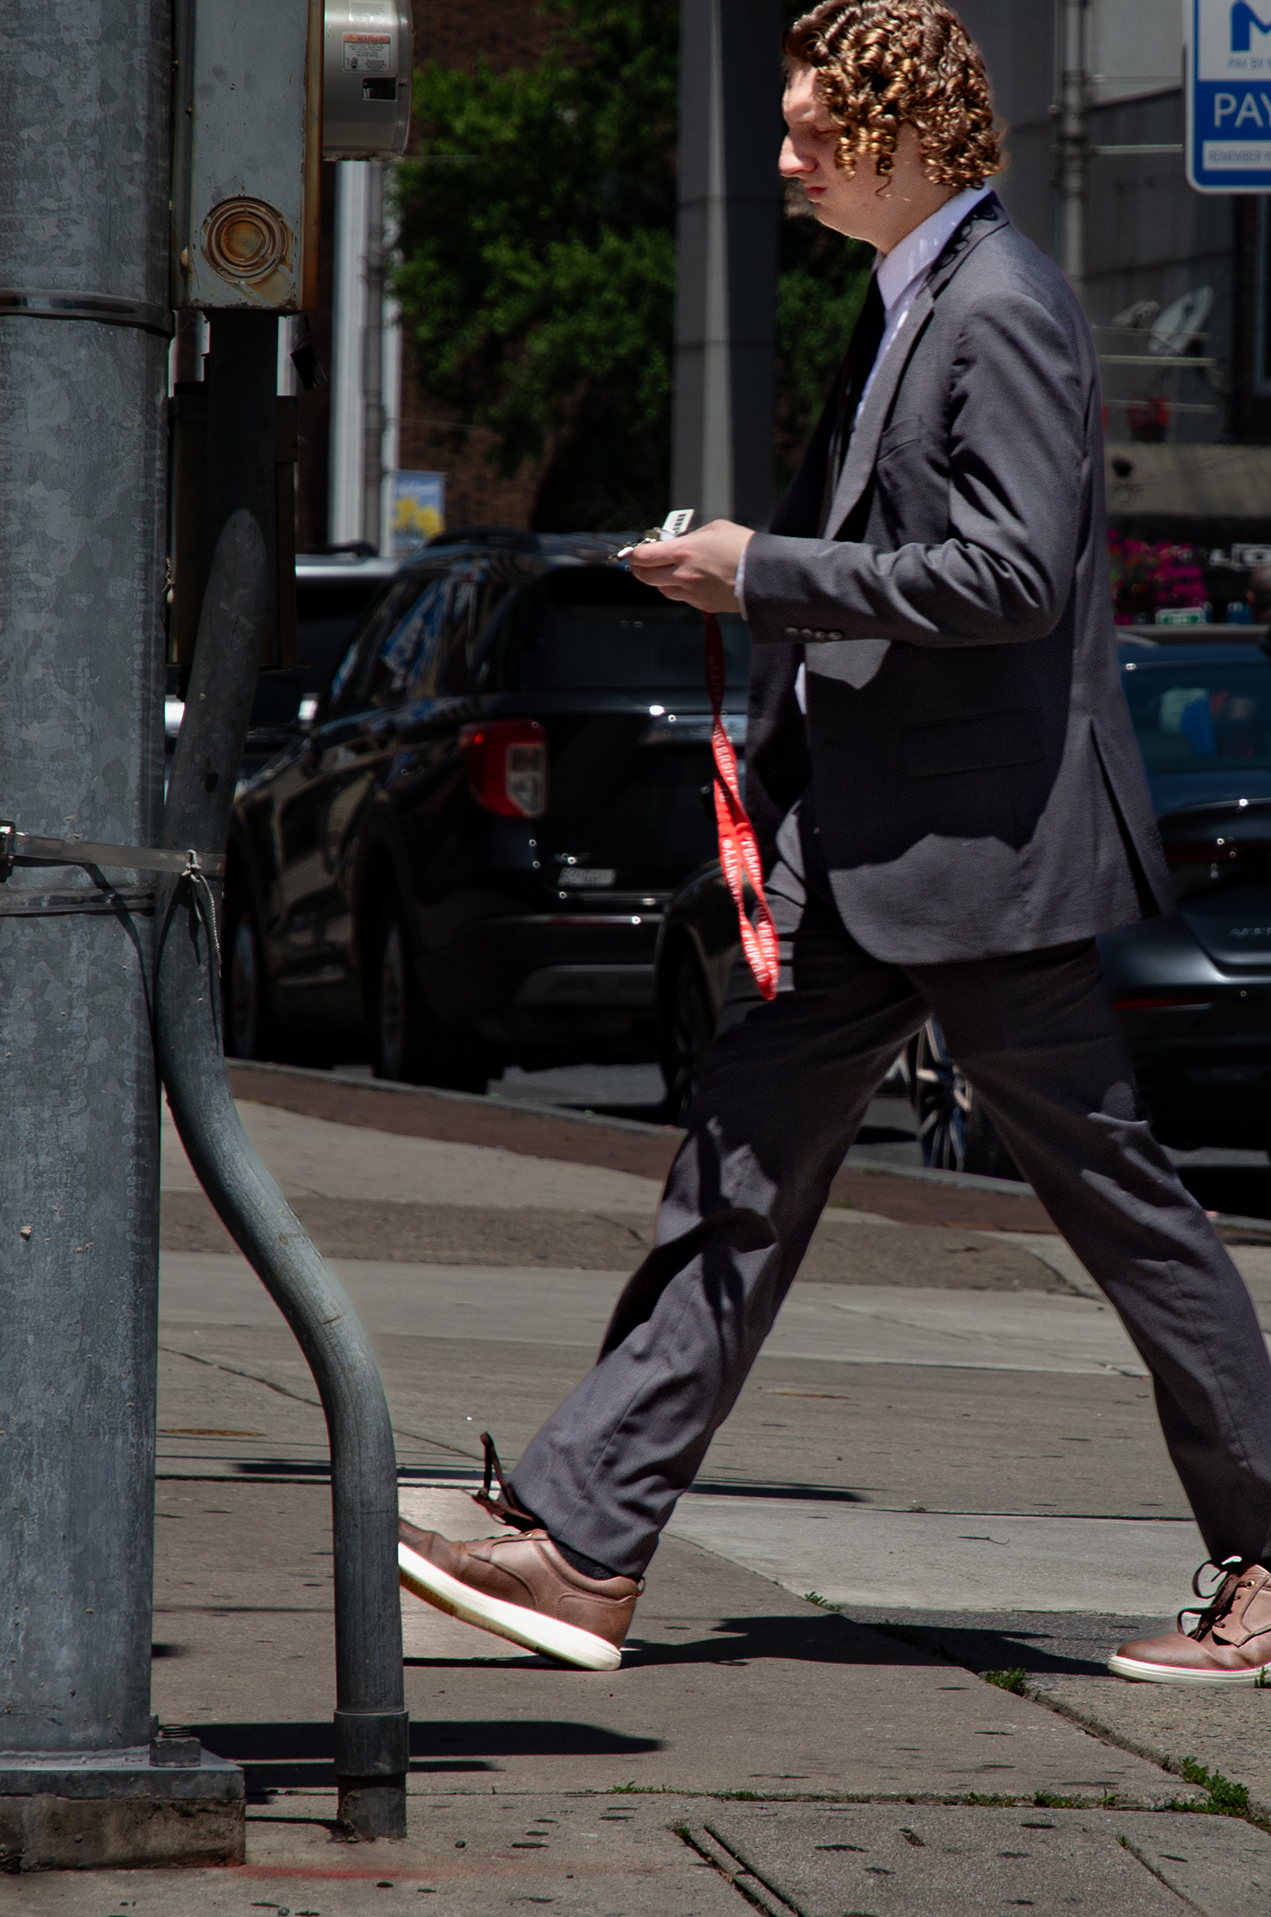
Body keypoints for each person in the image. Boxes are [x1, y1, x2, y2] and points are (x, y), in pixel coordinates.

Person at [398, 0, 1271, 1687]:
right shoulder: (909, 299)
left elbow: (1011, 577)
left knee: (1127, 1213)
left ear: (909, 136)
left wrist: (760, 569)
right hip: (877, 850)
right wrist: (744, 589)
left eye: (814, 129)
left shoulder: (999, 307)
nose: (788, 156)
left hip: (984, 856)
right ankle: (582, 1543)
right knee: (734, 1170)